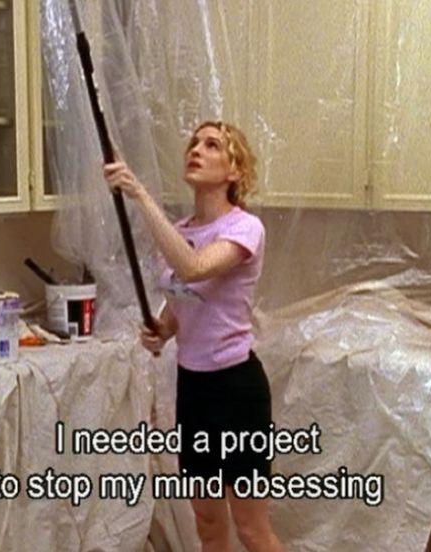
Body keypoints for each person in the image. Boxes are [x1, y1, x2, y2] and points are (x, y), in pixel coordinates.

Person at [103, 121, 284, 552]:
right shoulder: (181, 229)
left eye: (212, 145)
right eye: (194, 143)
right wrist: (162, 329)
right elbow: (184, 301)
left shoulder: (245, 228)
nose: (196, 150)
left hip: (236, 390)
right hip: (194, 389)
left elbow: (194, 268)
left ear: (235, 171)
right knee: (208, 524)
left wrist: (139, 195)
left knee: (251, 530)